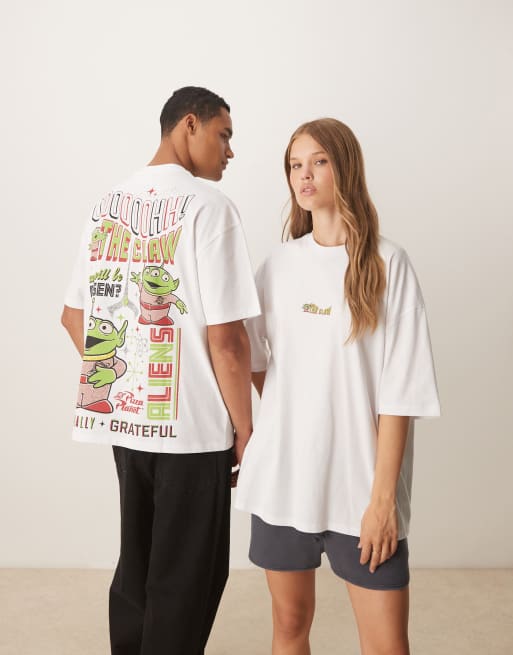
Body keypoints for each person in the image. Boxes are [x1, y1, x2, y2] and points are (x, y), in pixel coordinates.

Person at [61, 86, 260, 655]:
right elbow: (227, 339)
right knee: (188, 576)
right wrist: (245, 430)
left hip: (125, 422)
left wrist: (123, 379)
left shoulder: (107, 204)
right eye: (224, 135)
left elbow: (74, 316)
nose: (230, 151)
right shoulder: (209, 208)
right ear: (189, 125)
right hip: (193, 429)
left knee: (139, 565)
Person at [235, 118, 440, 655]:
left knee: (387, 645)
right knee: (289, 627)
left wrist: (383, 502)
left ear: (345, 166)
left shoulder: (388, 264)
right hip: (284, 483)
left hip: (361, 491)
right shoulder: (278, 265)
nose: (304, 175)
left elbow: (402, 394)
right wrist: (285, 413)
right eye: (295, 165)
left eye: (319, 161)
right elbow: (249, 354)